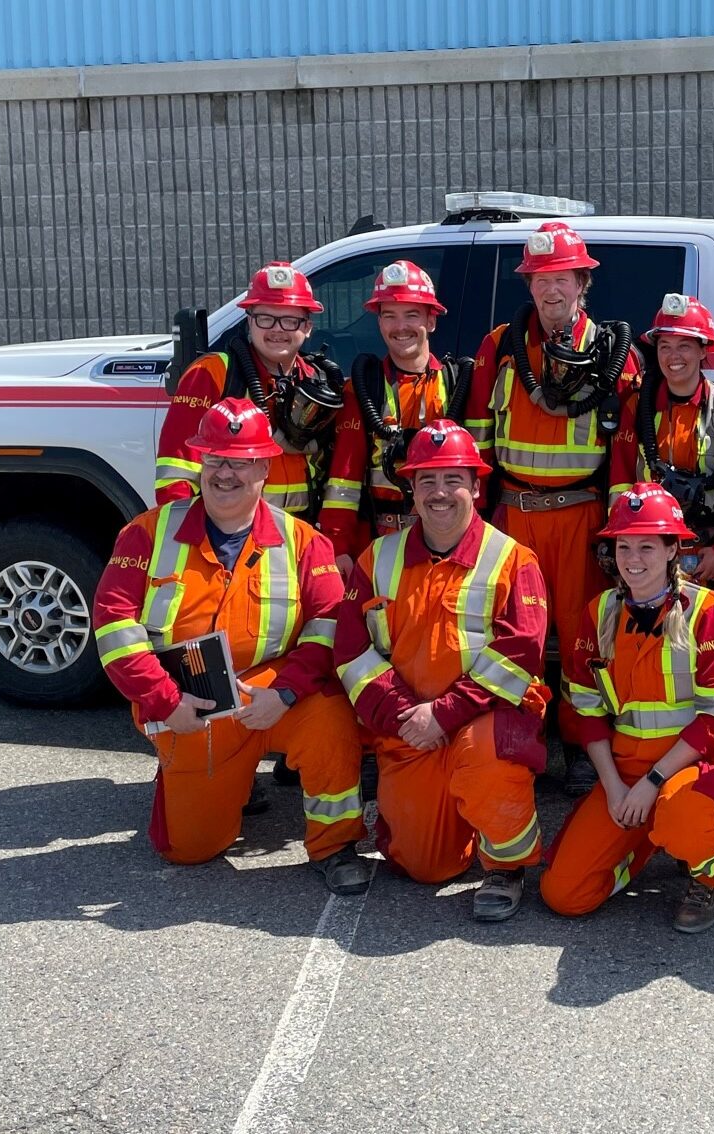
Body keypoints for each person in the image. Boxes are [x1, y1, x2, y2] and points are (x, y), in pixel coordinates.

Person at [92, 398, 371, 894]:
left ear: (264, 466)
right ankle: (193, 779)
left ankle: (335, 843)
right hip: (190, 705)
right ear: (199, 461)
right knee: (190, 850)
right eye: (215, 459)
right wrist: (166, 701)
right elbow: (114, 626)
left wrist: (285, 693)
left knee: (332, 720)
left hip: (276, 691)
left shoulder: (304, 541)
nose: (225, 474)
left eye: (240, 462)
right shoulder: (146, 533)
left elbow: (329, 625)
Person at [335, 421, 551, 922]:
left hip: (484, 719)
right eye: (426, 481)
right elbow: (350, 650)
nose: (439, 493)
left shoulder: (512, 560)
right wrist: (407, 714)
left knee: (486, 761)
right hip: (411, 726)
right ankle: (456, 815)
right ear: (409, 489)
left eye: (453, 479)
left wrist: (446, 714)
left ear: (477, 487)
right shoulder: (378, 557)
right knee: (425, 865)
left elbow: (519, 655)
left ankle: (506, 865)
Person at [466, 221, 642, 798]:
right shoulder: (500, 344)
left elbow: (625, 445)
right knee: (516, 636)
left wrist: (617, 529)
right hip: (513, 513)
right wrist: (480, 509)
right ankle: (521, 742)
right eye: (540, 279)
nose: (550, 290)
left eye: (561, 277)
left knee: (582, 638)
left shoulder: (613, 351)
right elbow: (478, 432)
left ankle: (581, 742)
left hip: (581, 515)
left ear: (582, 280)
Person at [543, 485, 714, 933]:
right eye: (623, 545)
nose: (633, 558)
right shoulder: (599, 612)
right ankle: (646, 842)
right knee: (565, 895)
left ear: (674, 549)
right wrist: (614, 788)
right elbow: (586, 711)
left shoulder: (710, 612)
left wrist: (653, 783)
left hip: (692, 766)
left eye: (648, 546)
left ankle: (708, 873)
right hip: (625, 772)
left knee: (684, 815)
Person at [155, 262, 360, 540]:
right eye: (265, 318)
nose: (277, 330)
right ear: (249, 320)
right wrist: (183, 538)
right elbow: (176, 470)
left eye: (290, 320)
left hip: (300, 534)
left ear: (308, 327)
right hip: (231, 535)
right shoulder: (214, 374)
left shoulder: (319, 383)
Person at [609, 293, 714, 612]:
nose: (674, 356)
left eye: (685, 345)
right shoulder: (637, 406)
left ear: (704, 350)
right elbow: (620, 485)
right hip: (652, 558)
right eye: (665, 346)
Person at [339, 259, 470, 559]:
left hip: (449, 539)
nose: (400, 327)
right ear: (380, 322)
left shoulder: (457, 383)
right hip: (381, 540)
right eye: (390, 316)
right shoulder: (362, 388)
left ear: (432, 320)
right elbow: (342, 481)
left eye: (412, 314)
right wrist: (340, 547)